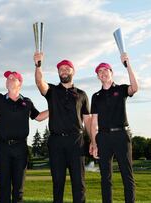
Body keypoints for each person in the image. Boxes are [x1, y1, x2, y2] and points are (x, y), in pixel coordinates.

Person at [0, 54, 48, 203]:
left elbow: (38, 117)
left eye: (13, 77)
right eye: (7, 78)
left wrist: (55, 108)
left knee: (18, 189)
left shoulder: (27, 102)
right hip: (3, 147)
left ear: (20, 83)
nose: (9, 79)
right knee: (3, 187)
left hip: (21, 149)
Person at [33, 52, 91, 203]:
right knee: (58, 183)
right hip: (56, 141)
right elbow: (40, 83)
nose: (64, 71)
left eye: (67, 68)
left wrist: (93, 141)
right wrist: (38, 65)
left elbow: (88, 120)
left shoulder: (82, 95)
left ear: (73, 71)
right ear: (58, 73)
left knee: (79, 183)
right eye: (61, 69)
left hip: (76, 141)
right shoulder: (52, 91)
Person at [89, 53, 138, 203]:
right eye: (100, 72)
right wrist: (94, 142)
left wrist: (127, 64)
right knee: (105, 177)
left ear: (111, 73)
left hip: (121, 136)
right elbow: (93, 122)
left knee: (126, 175)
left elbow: (135, 88)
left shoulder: (122, 89)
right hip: (103, 137)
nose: (103, 73)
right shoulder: (96, 96)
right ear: (98, 76)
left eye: (105, 70)